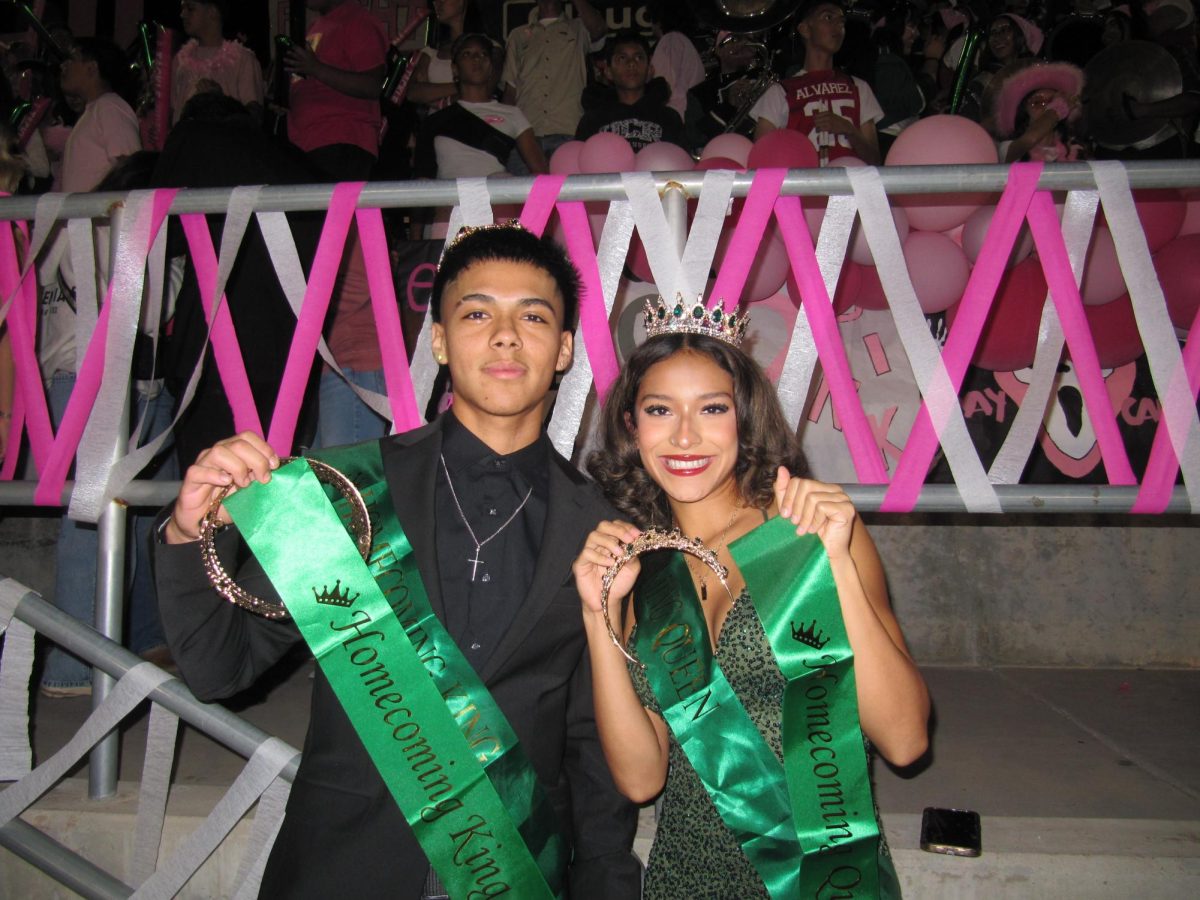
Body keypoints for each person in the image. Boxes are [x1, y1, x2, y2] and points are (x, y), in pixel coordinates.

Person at [153, 222, 641, 898]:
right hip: (344, 866)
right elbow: (219, 667)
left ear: (562, 350)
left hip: (515, 868)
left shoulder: (602, 530)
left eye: (532, 316)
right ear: (437, 340)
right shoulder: (348, 494)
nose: (505, 336)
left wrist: (607, 884)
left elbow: (592, 746)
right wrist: (188, 532)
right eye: (477, 313)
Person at [573, 300, 930, 897]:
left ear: (744, 420)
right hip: (684, 878)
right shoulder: (651, 571)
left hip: (818, 881)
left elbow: (905, 740)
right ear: (633, 427)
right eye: (660, 410)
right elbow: (640, 779)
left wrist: (835, 564)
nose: (685, 435)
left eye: (712, 409)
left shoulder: (803, 533)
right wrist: (597, 616)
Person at [749, 0, 884, 164]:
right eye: (828, 17)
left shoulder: (858, 87)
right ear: (805, 29)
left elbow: (875, 162)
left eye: (842, 21)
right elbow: (761, 160)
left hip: (852, 186)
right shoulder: (780, 91)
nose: (838, 26)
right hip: (804, 187)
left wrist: (849, 130)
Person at [283, 0, 388, 181]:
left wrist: (315, 68)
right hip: (305, 143)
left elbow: (372, 85)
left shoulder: (358, 20)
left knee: (334, 209)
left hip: (341, 141)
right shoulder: (316, 26)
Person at [501, 0, 606, 165]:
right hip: (526, 135)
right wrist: (505, 138)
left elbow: (598, 29)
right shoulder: (518, 35)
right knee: (524, 191)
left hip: (568, 132)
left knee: (566, 191)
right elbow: (510, 90)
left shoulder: (579, 27)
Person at [575, 29, 685, 152]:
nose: (631, 63)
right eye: (622, 58)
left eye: (638, 57)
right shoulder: (592, 121)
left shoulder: (668, 118)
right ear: (608, 71)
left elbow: (680, 164)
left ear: (649, 70)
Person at [172, 0, 265, 124]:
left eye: (190, 8)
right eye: (182, 8)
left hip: (226, 142)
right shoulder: (180, 60)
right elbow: (171, 112)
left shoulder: (243, 60)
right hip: (185, 141)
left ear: (212, 12)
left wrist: (219, 100)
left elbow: (254, 120)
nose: (182, 14)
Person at [990, 60, 1085, 163]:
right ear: (1024, 111)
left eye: (1051, 101)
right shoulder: (1007, 147)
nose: (1047, 107)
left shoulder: (1072, 150)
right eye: (1037, 102)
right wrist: (1058, 109)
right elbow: (1030, 139)